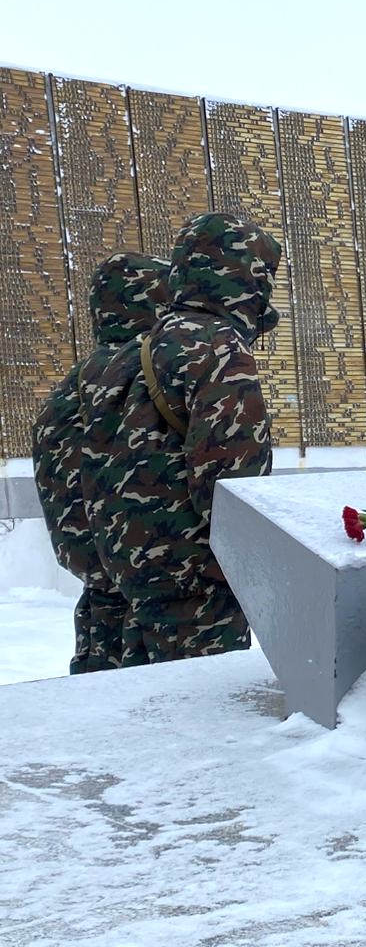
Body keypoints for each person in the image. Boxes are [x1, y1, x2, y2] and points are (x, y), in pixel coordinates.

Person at [82, 211, 282, 667]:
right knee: (204, 718)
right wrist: (257, 568)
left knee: (151, 712)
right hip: (195, 584)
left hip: (132, 571)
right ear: (244, 276)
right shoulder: (218, 346)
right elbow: (233, 483)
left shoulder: (141, 347)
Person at [31, 252, 170, 673]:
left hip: (96, 584)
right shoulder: (142, 378)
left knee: (100, 685)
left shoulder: (76, 383)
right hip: (148, 587)